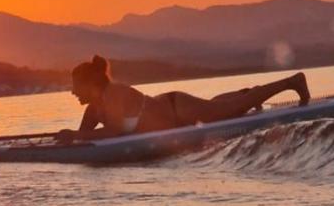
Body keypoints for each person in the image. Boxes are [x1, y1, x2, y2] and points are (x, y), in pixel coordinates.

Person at [60, 54, 310, 141]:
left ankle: (292, 82)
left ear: (91, 84)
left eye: (76, 86)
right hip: (173, 111)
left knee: (232, 110)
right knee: (221, 106)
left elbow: (113, 131)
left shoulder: (114, 94)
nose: (72, 92)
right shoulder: (93, 110)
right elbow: (81, 139)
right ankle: (248, 93)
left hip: (178, 109)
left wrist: (75, 135)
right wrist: (69, 137)